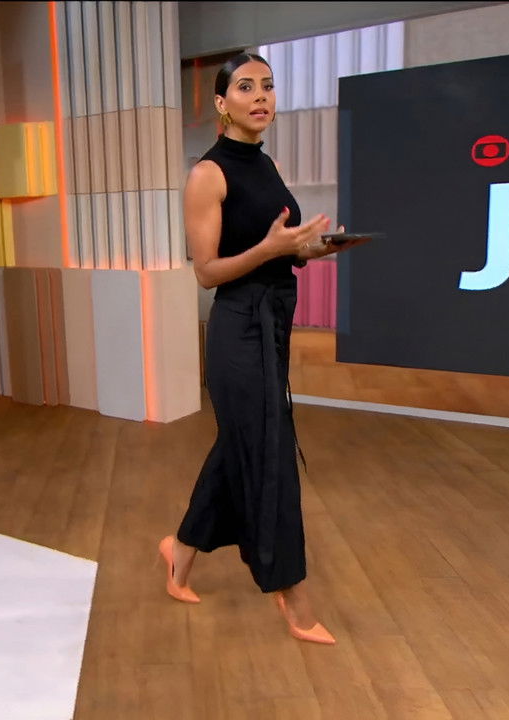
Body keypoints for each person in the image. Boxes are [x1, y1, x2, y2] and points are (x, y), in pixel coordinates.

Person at [157, 53, 364, 645]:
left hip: (272, 323)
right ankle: (292, 595)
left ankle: (180, 554)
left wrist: (309, 249)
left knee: (238, 451)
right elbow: (207, 272)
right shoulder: (208, 174)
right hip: (238, 329)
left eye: (268, 86)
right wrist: (271, 251)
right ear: (221, 104)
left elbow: (277, 247)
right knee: (269, 455)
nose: (261, 97)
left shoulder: (266, 164)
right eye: (246, 87)